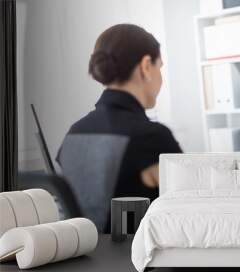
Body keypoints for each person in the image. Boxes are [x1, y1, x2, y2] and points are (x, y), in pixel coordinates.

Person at [57, 24, 182, 232]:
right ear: (145, 66)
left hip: (87, 257)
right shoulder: (151, 137)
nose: (161, 76)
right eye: (160, 67)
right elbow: (189, 210)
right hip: (136, 260)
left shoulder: (75, 132)